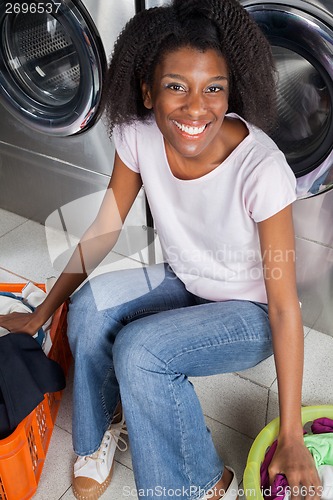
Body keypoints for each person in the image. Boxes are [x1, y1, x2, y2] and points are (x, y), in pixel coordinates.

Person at [0, 0, 322, 499]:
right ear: (148, 91)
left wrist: (293, 436)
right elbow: (105, 228)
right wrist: (43, 311)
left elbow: (282, 306)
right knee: (88, 308)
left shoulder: (261, 168)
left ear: (230, 91)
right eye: (177, 86)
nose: (197, 108)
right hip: (187, 278)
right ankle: (96, 437)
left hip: (251, 311)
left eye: (213, 89)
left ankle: (201, 483)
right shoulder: (136, 133)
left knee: (140, 352)